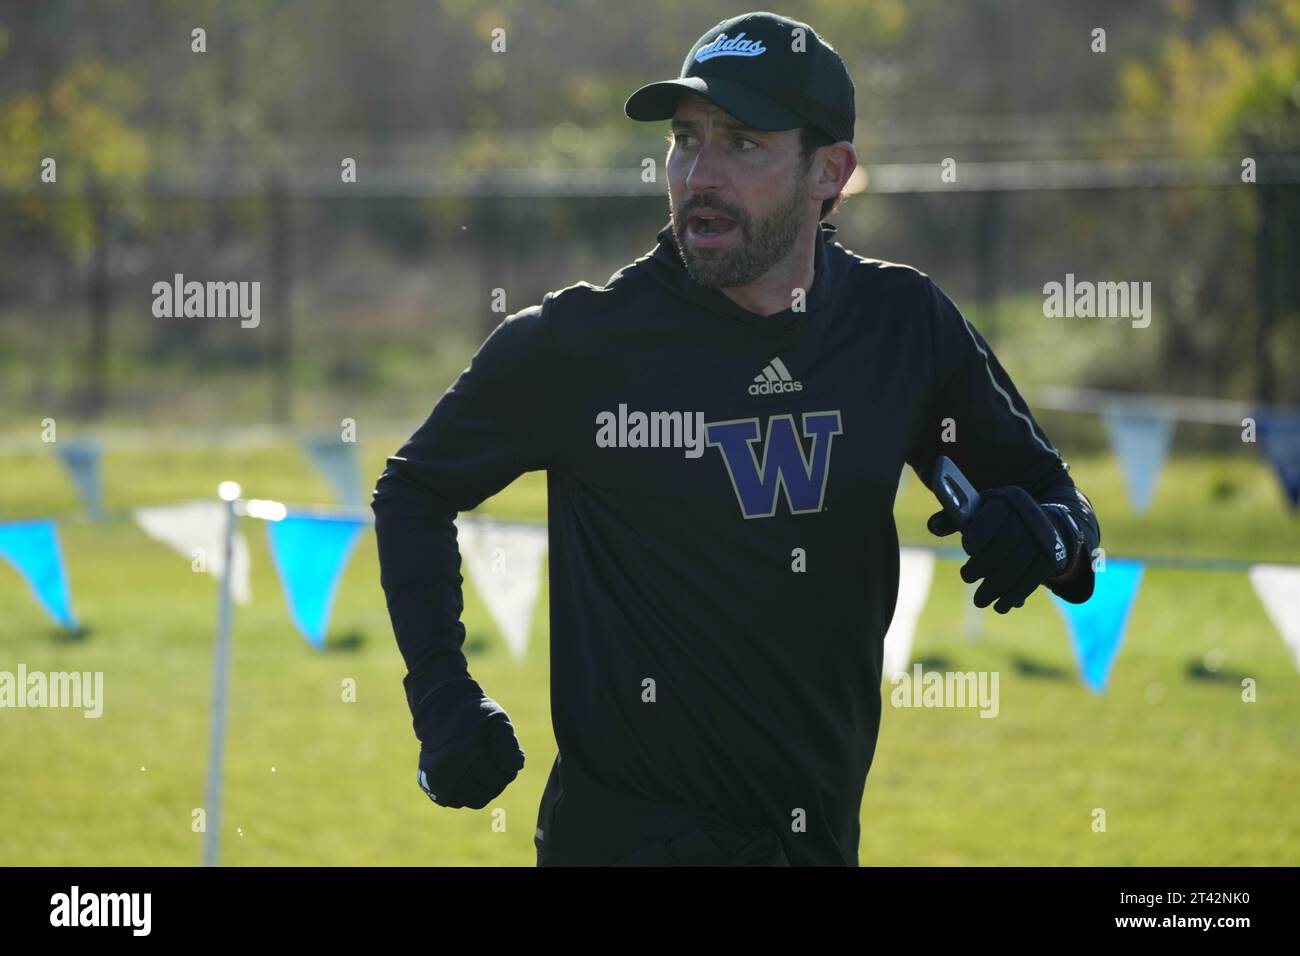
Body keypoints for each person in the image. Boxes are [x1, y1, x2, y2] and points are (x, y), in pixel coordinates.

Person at [370, 10, 1100, 867]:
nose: (698, 175)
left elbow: (1066, 515)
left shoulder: (903, 326)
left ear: (830, 171)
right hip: (624, 844)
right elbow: (414, 491)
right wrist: (442, 700)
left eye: (742, 144)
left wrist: (1042, 538)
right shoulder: (580, 343)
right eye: (686, 139)